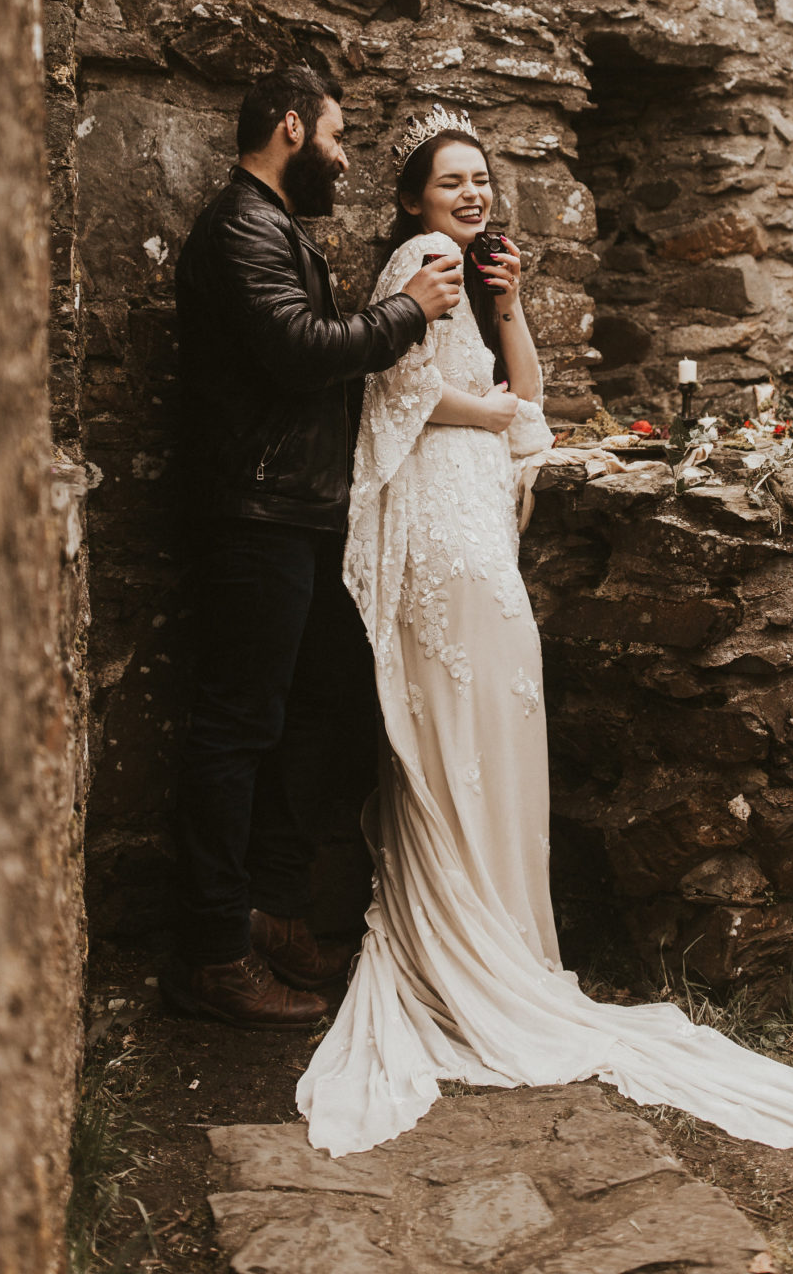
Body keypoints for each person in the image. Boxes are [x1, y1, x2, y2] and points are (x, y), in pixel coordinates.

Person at [297, 105, 793, 1159]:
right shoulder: (417, 258)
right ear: (412, 197)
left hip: (479, 533)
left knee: (504, 719)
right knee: (460, 725)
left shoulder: (472, 272)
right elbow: (397, 392)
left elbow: (531, 393)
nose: (472, 192)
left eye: (481, 178)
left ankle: (508, 940)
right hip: (441, 538)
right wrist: (491, 412)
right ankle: (459, 942)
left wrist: (516, 306)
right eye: (452, 179)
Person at [163, 67, 463, 1028]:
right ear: (291, 127)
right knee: (236, 730)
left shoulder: (271, 226)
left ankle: (275, 914)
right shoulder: (240, 226)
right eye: (334, 136)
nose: (342, 156)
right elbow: (296, 348)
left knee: (310, 717)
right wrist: (410, 307)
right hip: (254, 516)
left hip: (296, 512)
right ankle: (211, 954)